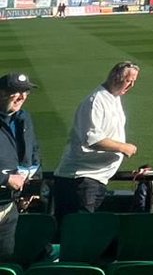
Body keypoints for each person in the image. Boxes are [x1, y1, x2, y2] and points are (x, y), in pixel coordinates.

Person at [53, 62, 140, 219]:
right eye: (128, 80)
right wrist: (123, 147)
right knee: (77, 230)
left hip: (95, 179)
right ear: (115, 78)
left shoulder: (114, 98)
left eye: (134, 81)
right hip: (81, 180)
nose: (131, 85)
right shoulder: (95, 101)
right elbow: (91, 139)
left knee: (83, 229)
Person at [0, 73, 40, 261]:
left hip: (9, 207)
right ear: (1, 93)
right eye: (16, 92)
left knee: (6, 260)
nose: (22, 97)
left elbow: (33, 153)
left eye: (25, 92)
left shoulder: (23, 118)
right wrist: (6, 179)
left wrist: (31, 188)